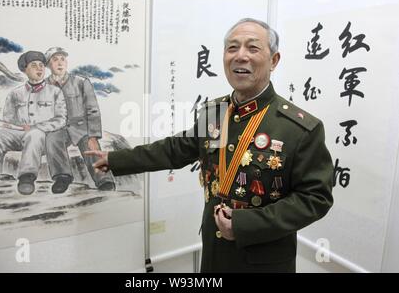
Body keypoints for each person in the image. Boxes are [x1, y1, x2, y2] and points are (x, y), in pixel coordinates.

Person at [85, 18, 334, 272]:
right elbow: (176, 149)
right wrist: (116, 159)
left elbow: (315, 198)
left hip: (264, 261)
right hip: (215, 255)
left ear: (274, 60)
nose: (240, 56)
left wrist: (244, 224)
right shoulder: (216, 112)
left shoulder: (298, 128)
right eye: (232, 47)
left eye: (253, 48)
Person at [0, 51, 67, 195]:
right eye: (34, 66)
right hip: (19, 134)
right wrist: (11, 126)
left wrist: (36, 127)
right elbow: (8, 119)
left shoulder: (55, 91)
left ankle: (27, 178)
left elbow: (61, 119)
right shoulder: (15, 93)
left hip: (43, 137)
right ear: (25, 69)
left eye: (41, 66)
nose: (39, 69)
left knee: (34, 134)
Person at [43, 47, 115, 194]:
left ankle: (104, 179)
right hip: (59, 127)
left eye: (62, 59)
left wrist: (94, 135)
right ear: (48, 65)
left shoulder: (81, 82)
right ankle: (62, 177)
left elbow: (93, 109)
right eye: (55, 60)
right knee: (52, 138)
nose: (60, 63)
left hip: (81, 127)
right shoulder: (44, 86)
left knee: (90, 144)